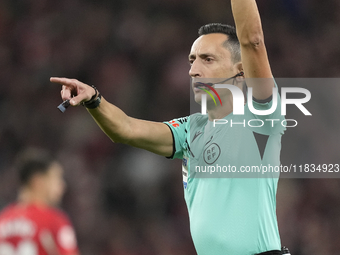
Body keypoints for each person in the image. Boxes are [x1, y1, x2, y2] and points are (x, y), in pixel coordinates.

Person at [51, 0, 286, 254]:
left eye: (207, 59)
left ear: (241, 72)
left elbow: (252, 41)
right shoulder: (191, 129)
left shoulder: (260, 116)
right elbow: (125, 129)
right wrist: (95, 99)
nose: (193, 70)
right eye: (192, 60)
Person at [0, 149, 79, 255]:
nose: (62, 186)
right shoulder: (53, 221)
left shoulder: (3, 219)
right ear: (38, 181)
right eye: (56, 178)